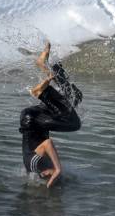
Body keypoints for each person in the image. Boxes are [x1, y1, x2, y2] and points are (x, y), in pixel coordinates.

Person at [19, 43, 82, 188]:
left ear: (44, 174)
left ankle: (40, 92)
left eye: (51, 176)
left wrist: (58, 169)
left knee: (74, 124)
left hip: (33, 121)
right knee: (74, 98)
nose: (53, 175)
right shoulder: (38, 167)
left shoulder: (34, 164)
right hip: (37, 120)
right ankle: (51, 68)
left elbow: (47, 144)